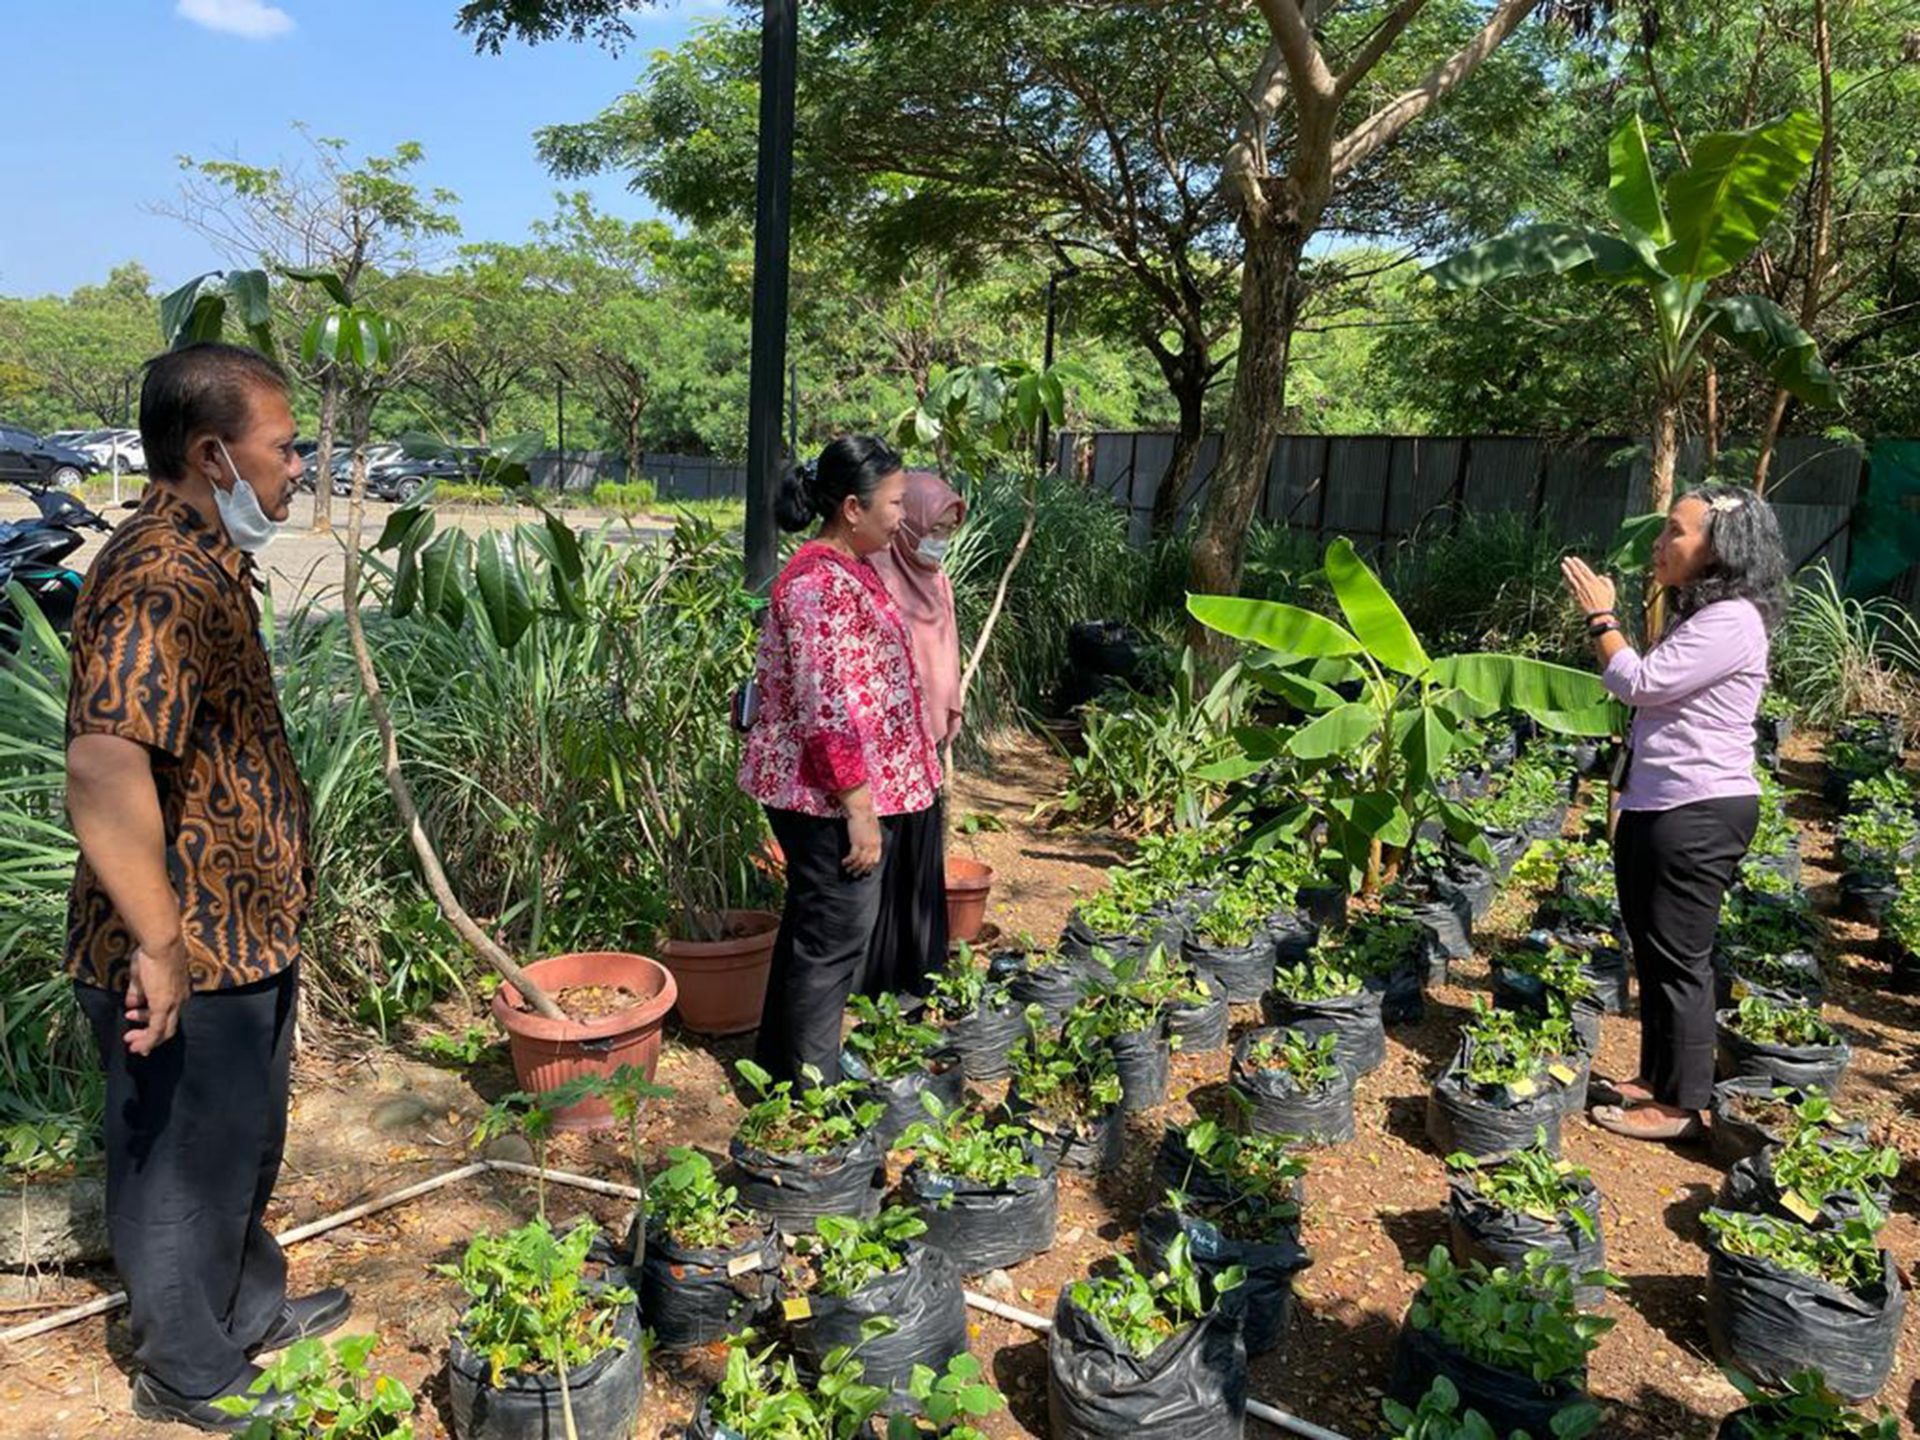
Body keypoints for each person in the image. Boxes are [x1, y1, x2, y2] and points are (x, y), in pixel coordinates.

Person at [65, 343, 348, 1431]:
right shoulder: (158, 575)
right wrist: (161, 943)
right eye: (285, 450)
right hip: (189, 944)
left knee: (235, 1141)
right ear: (212, 454)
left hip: (244, 935)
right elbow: (104, 761)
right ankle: (186, 1370)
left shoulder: (207, 559)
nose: (294, 471)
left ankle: (244, 1309)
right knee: (178, 1163)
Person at [1561, 482, 1788, 1142]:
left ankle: (1684, 1105)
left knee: (1681, 957)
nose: (1661, 544)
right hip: (1660, 799)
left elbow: (1640, 684)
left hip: (1698, 807)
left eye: (1677, 533)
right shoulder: (1704, 614)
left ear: (1723, 547)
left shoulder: (1734, 619)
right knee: (1653, 949)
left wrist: (1602, 619)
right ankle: (1655, 1076)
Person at [739, 436, 942, 1084]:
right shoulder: (817, 586)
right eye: (894, 502)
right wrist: (859, 810)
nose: (902, 515)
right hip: (824, 800)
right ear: (852, 507)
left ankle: (779, 1068)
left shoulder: (844, 569)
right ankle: (812, 1096)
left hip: (829, 794)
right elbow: (826, 709)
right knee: (833, 942)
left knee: (813, 926)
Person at [865, 470, 968, 999]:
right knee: (881, 866)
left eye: (950, 532)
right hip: (880, 755)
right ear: (909, 524)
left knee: (919, 864)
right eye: (936, 529)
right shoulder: (874, 577)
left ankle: (918, 972)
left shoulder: (938, 581)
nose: (940, 543)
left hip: (925, 750)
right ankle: (875, 981)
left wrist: (950, 711)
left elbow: (945, 652)